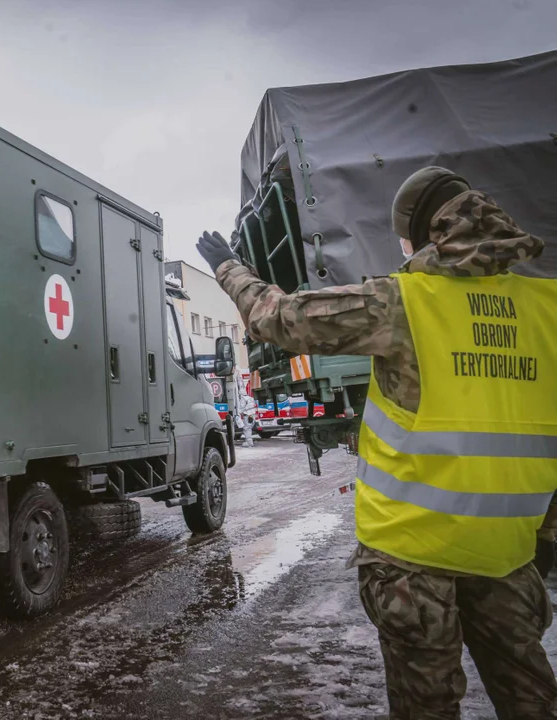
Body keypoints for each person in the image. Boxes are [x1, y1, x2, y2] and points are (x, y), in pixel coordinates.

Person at [197, 166, 557, 719]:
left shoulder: (402, 303)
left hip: (413, 562)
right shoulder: (547, 308)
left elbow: (279, 318)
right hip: (509, 558)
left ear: (421, 232)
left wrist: (228, 268)